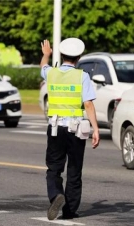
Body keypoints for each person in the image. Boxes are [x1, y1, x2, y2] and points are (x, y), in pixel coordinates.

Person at [40, 38, 100, 220]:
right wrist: (96, 129)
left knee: (54, 168)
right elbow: (88, 104)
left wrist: (46, 55)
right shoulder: (82, 76)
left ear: (62, 55)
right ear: (79, 57)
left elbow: (43, 67)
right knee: (74, 170)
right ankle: (70, 210)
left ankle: (56, 195)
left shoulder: (51, 73)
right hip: (76, 130)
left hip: (56, 128)